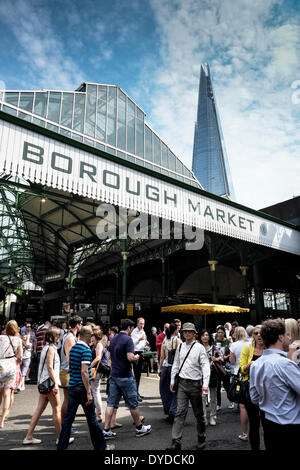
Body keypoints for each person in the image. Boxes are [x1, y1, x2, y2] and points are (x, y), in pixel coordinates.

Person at [57, 326, 113, 451]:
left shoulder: (73, 349)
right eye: (92, 335)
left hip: (72, 387)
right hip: (82, 388)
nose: (93, 338)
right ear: (87, 336)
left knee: (68, 421)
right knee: (92, 420)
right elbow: (84, 372)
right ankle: (101, 447)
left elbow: (72, 368)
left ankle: (61, 447)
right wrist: (88, 391)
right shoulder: (86, 350)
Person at [250, 318, 300, 451]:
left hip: (268, 424)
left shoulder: (256, 364)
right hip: (290, 426)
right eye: (287, 334)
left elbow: (254, 397)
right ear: (281, 337)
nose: (289, 338)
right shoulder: (285, 364)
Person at [103, 318, 151, 439]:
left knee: (111, 403)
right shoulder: (128, 339)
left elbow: (109, 355)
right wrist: (136, 356)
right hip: (125, 375)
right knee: (133, 403)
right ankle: (140, 428)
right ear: (129, 328)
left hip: (114, 375)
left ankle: (106, 430)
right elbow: (130, 357)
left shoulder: (113, 339)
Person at [23, 327, 71, 445]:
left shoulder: (46, 348)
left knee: (39, 409)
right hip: (49, 383)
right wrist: (55, 382)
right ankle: (61, 438)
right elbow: (50, 367)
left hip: (43, 383)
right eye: (58, 336)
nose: (60, 338)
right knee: (56, 410)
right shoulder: (51, 349)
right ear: (54, 337)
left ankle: (29, 436)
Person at [167, 322, 210, 450]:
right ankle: (176, 441)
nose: (187, 333)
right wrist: (172, 381)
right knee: (179, 413)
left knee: (199, 414)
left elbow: (205, 366)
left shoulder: (200, 348)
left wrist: (205, 384)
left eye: (190, 331)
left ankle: (201, 437)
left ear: (194, 333)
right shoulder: (180, 347)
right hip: (182, 384)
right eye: (185, 331)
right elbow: (175, 364)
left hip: (196, 384)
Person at [239, 324, 264, 449]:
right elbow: (241, 369)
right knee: (254, 423)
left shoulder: (270, 348)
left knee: (267, 422)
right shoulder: (247, 348)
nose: (259, 335)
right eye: (256, 333)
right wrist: (250, 364)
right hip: (251, 389)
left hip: (267, 390)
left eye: (261, 333)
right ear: (253, 336)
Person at [59, 315, 83, 429]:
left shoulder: (71, 336)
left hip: (68, 371)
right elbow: (70, 357)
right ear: (77, 325)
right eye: (81, 323)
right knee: (68, 400)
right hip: (68, 372)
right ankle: (65, 425)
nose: (82, 326)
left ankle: (66, 424)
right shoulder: (69, 338)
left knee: (70, 400)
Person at [0, 320, 23, 428]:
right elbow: (20, 357)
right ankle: (2, 419)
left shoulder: (0, 338)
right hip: (11, 367)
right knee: (7, 394)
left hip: (0, 365)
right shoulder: (18, 340)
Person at [229, 326, 249, 441]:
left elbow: (232, 361)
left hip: (239, 373)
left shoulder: (234, 345)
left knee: (243, 405)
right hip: (251, 372)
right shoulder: (251, 342)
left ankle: (244, 433)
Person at [159, 323, 182, 423]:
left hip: (165, 367)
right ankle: (173, 411)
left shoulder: (165, 340)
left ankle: (168, 411)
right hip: (174, 368)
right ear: (175, 330)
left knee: (164, 390)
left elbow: (161, 356)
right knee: (174, 390)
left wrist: (159, 369)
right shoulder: (177, 340)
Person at [199, 329, 218, 426]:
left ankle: (212, 416)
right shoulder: (198, 348)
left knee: (213, 397)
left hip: (213, 373)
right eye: (203, 335)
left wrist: (216, 359)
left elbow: (222, 358)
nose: (205, 337)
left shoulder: (214, 348)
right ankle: (204, 417)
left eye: (206, 335)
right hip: (201, 374)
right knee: (203, 396)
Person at [212, 325, 231, 411]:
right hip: (217, 366)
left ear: (224, 333)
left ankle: (231, 400)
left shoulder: (227, 342)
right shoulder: (215, 342)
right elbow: (212, 354)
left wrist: (226, 357)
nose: (220, 334)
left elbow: (231, 353)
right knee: (218, 386)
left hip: (226, 366)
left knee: (227, 385)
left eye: (222, 332)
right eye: (218, 332)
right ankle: (218, 404)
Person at [131, 317, 147, 401]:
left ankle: (136, 392)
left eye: (143, 323)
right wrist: (139, 339)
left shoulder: (143, 331)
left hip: (141, 353)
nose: (142, 325)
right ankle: (135, 394)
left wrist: (145, 343)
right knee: (136, 374)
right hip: (135, 352)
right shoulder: (134, 331)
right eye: (140, 323)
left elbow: (144, 342)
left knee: (139, 374)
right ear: (137, 323)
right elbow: (132, 343)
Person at [90, 330, 104, 423]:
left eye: (92, 336)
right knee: (95, 391)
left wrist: (90, 365)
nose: (91, 337)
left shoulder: (99, 345)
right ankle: (97, 413)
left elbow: (98, 357)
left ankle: (99, 414)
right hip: (95, 370)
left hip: (96, 371)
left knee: (95, 392)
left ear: (96, 336)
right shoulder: (95, 344)